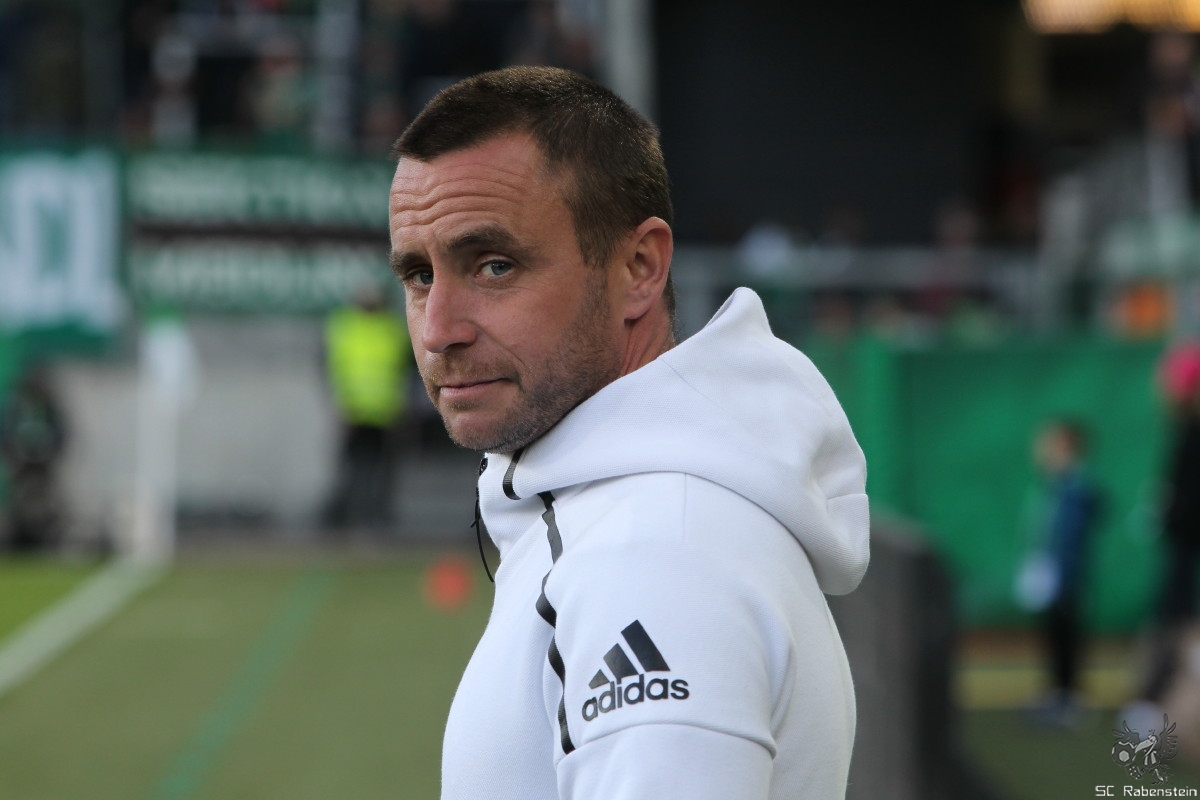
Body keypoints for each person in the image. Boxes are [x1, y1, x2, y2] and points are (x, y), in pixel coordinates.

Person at [388, 66, 870, 799]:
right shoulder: (638, 519)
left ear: (639, 268)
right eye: (420, 276)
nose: (437, 330)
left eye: (493, 266)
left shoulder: (656, 552)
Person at [1018, 419, 1101, 726]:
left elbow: (1071, 536)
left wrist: (1064, 574)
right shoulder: (1054, 486)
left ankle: (1069, 698)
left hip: (1066, 575)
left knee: (1066, 634)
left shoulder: (1075, 487)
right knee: (1054, 634)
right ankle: (1058, 693)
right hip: (1053, 573)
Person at [322, 285, 410, 530]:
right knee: (352, 468)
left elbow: (405, 372)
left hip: (386, 413)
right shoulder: (345, 326)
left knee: (381, 470)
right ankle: (346, 516)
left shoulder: (392, 328)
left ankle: (376, 515)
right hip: (354, 412)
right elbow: (333, 370)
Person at [0, 362, 68, 551]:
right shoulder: (18, 405)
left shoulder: (50, 408)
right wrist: (15, 456)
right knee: (20, 501)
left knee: (45, 502)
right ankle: (17, 538)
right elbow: (6, 433)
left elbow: (62, 434)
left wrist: (49, 455)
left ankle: (45, 538)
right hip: (21, 467)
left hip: (44, 467)